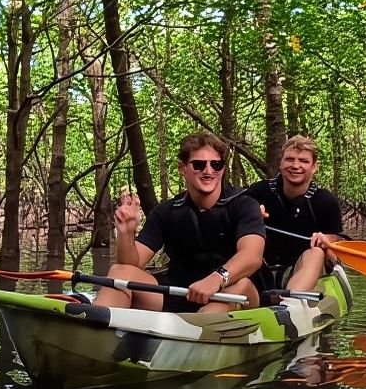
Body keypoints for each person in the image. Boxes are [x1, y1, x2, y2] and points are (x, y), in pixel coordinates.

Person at [101, 132, 265, 313]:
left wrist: (216, 279)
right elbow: (131, 264)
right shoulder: (166, 211)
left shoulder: (244, 204)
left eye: (216, 164)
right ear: (183, 168)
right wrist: (126, 234)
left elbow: (251, 256)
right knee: (119, 272)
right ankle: (94, 329)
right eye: (199, 165)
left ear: (223, 169)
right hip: (181, 293)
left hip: (233, 292)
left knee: (241, 283)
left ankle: (199, 327)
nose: (208, 171)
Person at [244, 134, 343, 294]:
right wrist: (248, 217)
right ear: (281, 163)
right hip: (260, 271)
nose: (295, 166)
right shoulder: (258, 192)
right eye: (290, 159)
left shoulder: (325, 201)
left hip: (302, 269)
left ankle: (290, 303)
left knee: (317, 253)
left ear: (314, 166)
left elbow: (337, 242)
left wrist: (328, 240)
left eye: (303, 161)